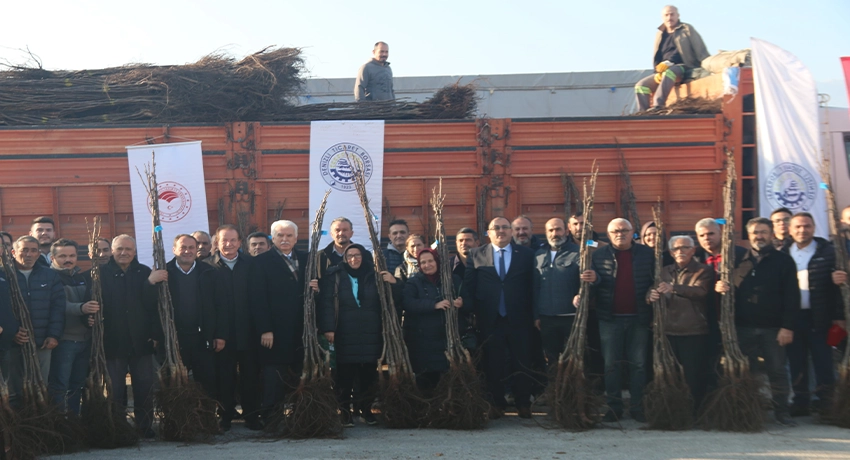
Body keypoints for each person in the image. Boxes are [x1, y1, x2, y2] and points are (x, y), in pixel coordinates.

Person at [715, 217, 800, 427]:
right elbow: (727, 289)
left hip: (773, 328)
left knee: (777, 370)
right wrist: (720, 288)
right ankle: (751, 410)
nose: (759, 236)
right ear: (748, 235)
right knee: (747, 371)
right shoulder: (737, 260)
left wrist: (787, 327)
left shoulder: (783, 261)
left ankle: (782, 411)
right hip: (743, 328)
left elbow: (792, 296)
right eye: (755, 232)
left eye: (763, 232)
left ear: (771, 235)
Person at [464, 217, 536, 419]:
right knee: (492, 363)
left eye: (505, 227)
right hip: (489, 319)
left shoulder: (527, 255)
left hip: (520, 318)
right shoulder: (476, 254)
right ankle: (496, 403)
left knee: (521, 361)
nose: (501, 231)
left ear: (511, 232)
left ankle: (523, 403)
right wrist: (470, 314)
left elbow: (534, 287)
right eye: (496, 228)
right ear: (488, 232)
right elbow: (470, 286)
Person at [591, 218, 655, 423]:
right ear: (608, 235)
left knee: (638, 364)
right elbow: (595, 284)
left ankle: (637, 407)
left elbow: (656, 280)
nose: (620, 234)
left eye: (624, 230)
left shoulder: (647, 254)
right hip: (610, 319)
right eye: (615, 231)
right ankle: (614, 408)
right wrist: (593, 281)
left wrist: (653, 291)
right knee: (611, 365)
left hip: (639, 318)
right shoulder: (598, 255)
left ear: (632, 232)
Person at [100, 234, 165, 438]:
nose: (123, 253)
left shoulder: (144, 273)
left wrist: (155, 335)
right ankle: (117, 426)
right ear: (112, 251)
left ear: (135, 252)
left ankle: (144, 426)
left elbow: (154, 308)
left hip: (141, 341)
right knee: (115, 388)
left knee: (144, 387)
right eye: (119, 249)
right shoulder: (99, 274)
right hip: (112, 342)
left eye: (128, 249)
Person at [319, 244, 386, 427]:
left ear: (364, 257)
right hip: (344, 331)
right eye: (350, 256)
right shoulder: (335, 275)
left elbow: (388, 301)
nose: (354, 259)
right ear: (344, 258)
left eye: (357, 255)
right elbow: (326, 303)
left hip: (371, 331)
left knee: (368, 375)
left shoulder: (374, 275)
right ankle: (345, 412)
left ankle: (366, 410)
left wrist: (393, 283)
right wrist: (329, 328)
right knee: (344, 375)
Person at [782, 212, 841, 416]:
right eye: (797, 227)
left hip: (820, 316)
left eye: (806, 226)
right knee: (796, 361)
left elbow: (841, 288)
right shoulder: (782, 253)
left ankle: (826, 403)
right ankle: (800, 402)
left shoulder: (829, 252)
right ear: (790, 230)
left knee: (823, 361)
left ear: (814, 228)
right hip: (792, 318)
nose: (802, 230)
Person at [647, 235, 713, 411]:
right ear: (670, 252)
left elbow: (701, 291)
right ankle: (675, 409)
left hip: (692, 330)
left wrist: (674, 288)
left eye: (685, 247)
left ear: (693, 250)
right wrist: (650, 296)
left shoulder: (703, 271)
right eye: (676, 249)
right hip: (667, 330)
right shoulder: (664, 271)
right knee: (670, 373)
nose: (680, 251)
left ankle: (696, 410)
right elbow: (651, 290)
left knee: (694, 375)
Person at [207, 224, 263, 431]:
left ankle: (251, 416)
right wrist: (216, 334)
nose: (228, 244)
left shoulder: (252, 264)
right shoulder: (207, 266)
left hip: (249, 334)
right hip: (222, 336)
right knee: (224, 378)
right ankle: (225, 416)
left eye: (233, 240)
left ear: (240, 243)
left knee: (250, 378)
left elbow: (259, 300)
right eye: (224, 240)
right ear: (216, 243)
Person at [251, 220, 307, 421]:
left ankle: (297, 416)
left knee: (299, 372)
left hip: (301, 329)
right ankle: (271, 417)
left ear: (296, 238)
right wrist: (265, 329)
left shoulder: (307, 258)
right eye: (280, 236)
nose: (285, 239)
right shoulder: (260, 262)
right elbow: (258, 298)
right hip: (274, 330)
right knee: (273, 374)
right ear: (272, 239)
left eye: (289, 235)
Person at [401, 248, 467, 393]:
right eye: (423, 262)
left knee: (448, 378)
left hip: (448, 338)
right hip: (423, 340)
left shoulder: (452, 280)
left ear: (437, 261)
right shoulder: (414, 282)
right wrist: (433, 305)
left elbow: (468, 299)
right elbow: (408, 303)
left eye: (430, 261)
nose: (427, 265)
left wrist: (462, 303)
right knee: (426, 379)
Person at [533, 218, 596, 365]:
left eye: (558, 229)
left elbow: (591, 281)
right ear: (546, 233)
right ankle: (554, 386)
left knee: (573, 358)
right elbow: (535, 287)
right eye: (551, 230)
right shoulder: (539, 254)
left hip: (571, 316)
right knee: (550, 358)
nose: (555, 233)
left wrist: (582, 293)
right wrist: (536, 315)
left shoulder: (578, 252)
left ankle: (574, 387)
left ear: (566, 231)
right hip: (547, 318)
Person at [166, 234, 221, 399]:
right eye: (183, 247)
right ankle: (175, 422)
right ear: (174, 249)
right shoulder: (163, 273)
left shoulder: (209, 272)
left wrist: (219, 334)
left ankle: (205, 420)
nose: (187, 251)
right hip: (174, 338)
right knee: (174, 384)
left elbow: (220, 306)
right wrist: (150, 282)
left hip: (202, 338)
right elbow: (150, 305)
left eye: (191, 247)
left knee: (206, 383)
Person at [8, 236, 64, 393]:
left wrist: (54, 335)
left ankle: (40, 417)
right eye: (24, 250)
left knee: (40, 386)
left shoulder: (50, 276)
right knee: (14, 389)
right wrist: (12, 332)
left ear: (39, 254)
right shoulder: (4, 275)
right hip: (12, 344)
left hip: (42, 342)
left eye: (33, 250)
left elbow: (58, 308)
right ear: (13, 252)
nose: (29, 254)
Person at [48, 238, 96, 415]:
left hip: (84, 340)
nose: (68, 259)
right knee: (60, 385)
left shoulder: (81, 277)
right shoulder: (50, 278)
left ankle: (73, 423)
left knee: (77, 385)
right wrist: (81, 309)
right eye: (62, 256)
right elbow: (57, 305)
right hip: (64, 340)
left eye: (72, 255)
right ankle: (60, 421)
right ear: (52, 258)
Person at [634, 5, 709, 112]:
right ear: (662, 18)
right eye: (666, 15)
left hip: (684, 67)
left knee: (669, 72)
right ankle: (643, 113)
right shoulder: (660, 34)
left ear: (678, 16)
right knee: (641, 86)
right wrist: (657, 71)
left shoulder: (686, 29)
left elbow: (699, 49)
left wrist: (707, 65)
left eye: (672, 14)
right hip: (663, 70)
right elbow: (657, 55)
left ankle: (658, 106)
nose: (669, 17)